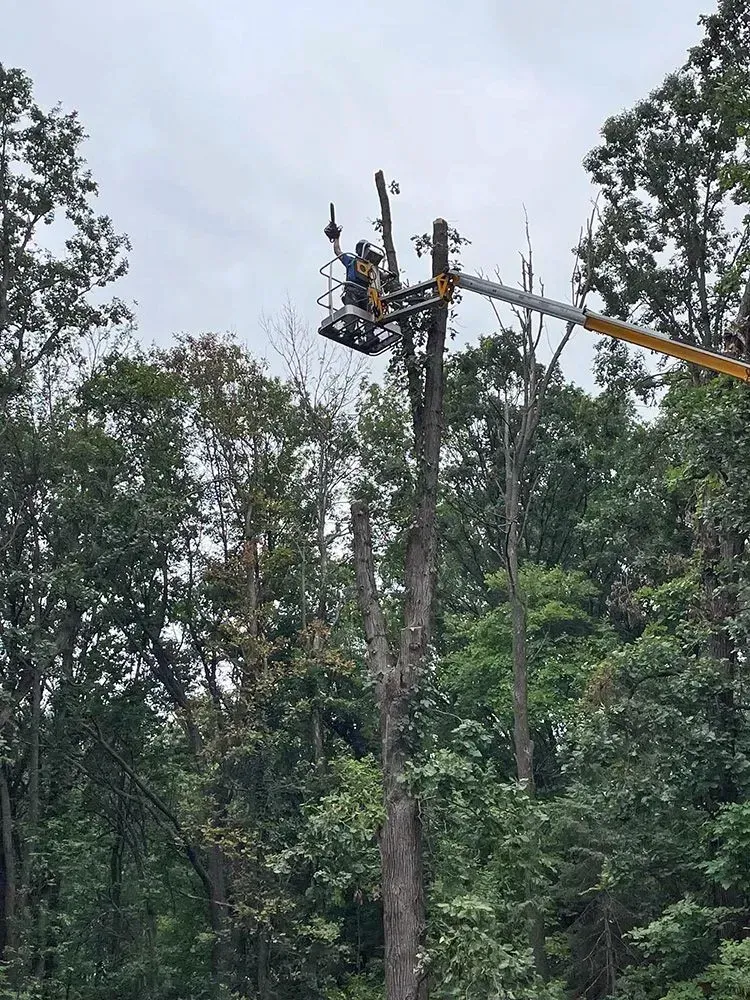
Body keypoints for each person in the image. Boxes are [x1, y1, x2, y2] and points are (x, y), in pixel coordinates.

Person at [324, 221, 377, 312]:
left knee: (369, 315)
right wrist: (336, 237)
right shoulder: (351, 260)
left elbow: (381, 275)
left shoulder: (370, 266)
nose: (366, 251)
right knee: (352, 313)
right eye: (364, 248)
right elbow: (337, 250)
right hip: (352, 290)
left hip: (365, 293)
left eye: (367, 249)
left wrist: (390, 275)